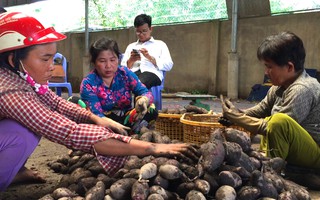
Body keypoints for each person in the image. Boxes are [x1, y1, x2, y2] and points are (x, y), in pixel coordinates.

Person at [0, 12, 198, 191]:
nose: (52, 67)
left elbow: (56, 103)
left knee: (30, 122)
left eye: (54, 59)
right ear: (12, 60)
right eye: (45, 59)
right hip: (99, 125)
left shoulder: (19, 76)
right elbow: (69, 131)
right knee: (22, 132)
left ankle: (15, 170)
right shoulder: (9, 90)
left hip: (119, 119)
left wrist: (95, 118)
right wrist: (150, 148)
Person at [220, 31, 320, 172]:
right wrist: (236, 113)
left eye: (269, 67)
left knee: (278, 121)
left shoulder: (303, 89)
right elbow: (261, 110)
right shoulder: (279, 87)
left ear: (289, 67)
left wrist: (239, 119)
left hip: (314, 153)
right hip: (295, 149)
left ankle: (272, 173)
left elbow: (275, 127)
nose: (266, 72)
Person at [80, 37, 158, 134]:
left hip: (126, 120)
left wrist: (144, 100)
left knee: (151, 110)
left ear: (118, 59)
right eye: (102, 61)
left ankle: (133, 134)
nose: (108, 65)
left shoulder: (125, 73)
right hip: (103, 123)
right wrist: (112, 125)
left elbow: (145, 92)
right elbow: (96, 115)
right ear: (94, 63)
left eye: (112, 60)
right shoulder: (88, 83)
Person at [121, 14, 173, 89]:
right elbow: (123, 69)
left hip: (152, 73)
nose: (141, 34)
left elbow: (169, 65)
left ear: (150, 29)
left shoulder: (160, 44)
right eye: (138, 32)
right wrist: (131, 60)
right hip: (134, 73)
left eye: (144, 31)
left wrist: (149, 58)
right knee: (119, 82)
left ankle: (141, 100)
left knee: (140, 83)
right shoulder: (131, 46)